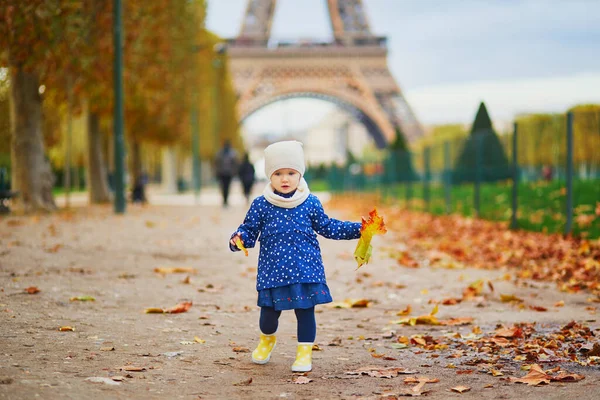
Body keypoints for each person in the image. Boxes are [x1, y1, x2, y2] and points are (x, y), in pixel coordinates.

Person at [228, 140, 362, 372]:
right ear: (269, 176)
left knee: (305, 312)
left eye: (291, 172)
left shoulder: (310, 202)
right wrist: (238, 239)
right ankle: (267, 339)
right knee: (269, 315)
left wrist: (357, 229)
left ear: (300, 174)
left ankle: (304, 352)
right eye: (278, 173)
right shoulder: (261, 205)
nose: (285, 179)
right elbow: (249, 231)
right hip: (274, 271)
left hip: (306, 269)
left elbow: (328, 226)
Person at [214, 140, 239, 207]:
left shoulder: (220, 153)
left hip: (223, 173)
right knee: (226, 187)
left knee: (224, 187)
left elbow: (216, 163)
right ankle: (225, 200)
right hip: (227, 173)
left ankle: (225, 200)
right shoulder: (232, 153)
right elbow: (235, 163)